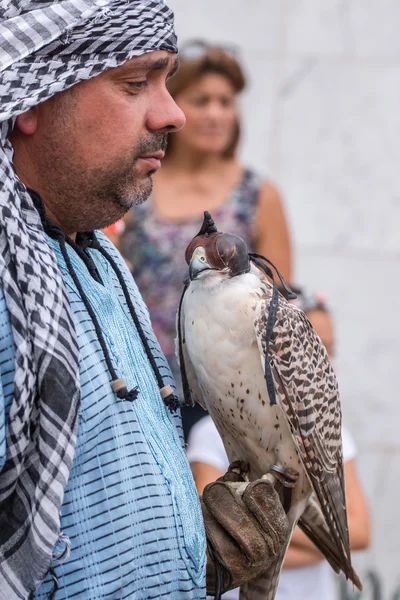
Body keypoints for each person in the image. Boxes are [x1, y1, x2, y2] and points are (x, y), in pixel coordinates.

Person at [0, 3, 289, 599]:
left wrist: (188, 554)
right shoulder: (11, 277)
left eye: (166, 79)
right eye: (136, 82)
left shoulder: (98, 254)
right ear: (30, 98)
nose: (173, 112)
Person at [120, 40, 292, 439]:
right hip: (143, 380)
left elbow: (278, 301)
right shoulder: (135, 184)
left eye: (226, 102)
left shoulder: (258, 195)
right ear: (174, 108)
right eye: (201, 100)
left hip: (226, 389)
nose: (216, 114)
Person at [187, 290, 371, 600]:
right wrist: (305, 543)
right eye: (316, 349)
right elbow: (212, 528)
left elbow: (359, 533)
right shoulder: (216, 427)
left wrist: (264, 538)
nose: (324, 365)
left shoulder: (333, 431)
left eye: (330, 351)